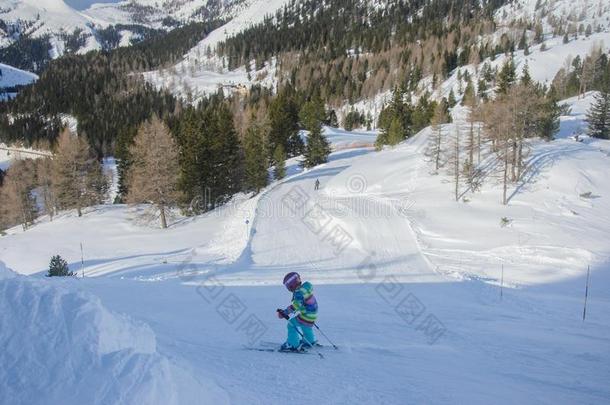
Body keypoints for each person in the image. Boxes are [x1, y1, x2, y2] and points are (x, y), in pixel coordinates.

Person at [277, 272, 318, 351]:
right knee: (306, 326)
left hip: (307, 315)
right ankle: (309, 341)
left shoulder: (299, 293)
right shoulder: (305, 288)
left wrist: (285, 312)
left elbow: (296, 305)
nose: (288, 288)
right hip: (312, 314)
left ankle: (293, 344)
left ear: (291, 285)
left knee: (291, 324)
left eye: (287, 286)